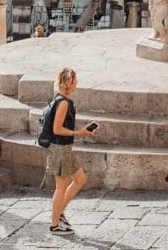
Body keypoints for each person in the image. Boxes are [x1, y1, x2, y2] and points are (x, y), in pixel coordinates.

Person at [47, 67, 94, 235]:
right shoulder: (63, 103)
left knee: (80, 179)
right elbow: (57, 129)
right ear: (70, 82)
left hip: (64, 148)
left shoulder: (60, 99)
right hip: (60, 149)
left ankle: (59, 213)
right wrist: (79, 133)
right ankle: (55, 224)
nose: (77, 83)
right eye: (75, 80)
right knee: (61, 187)